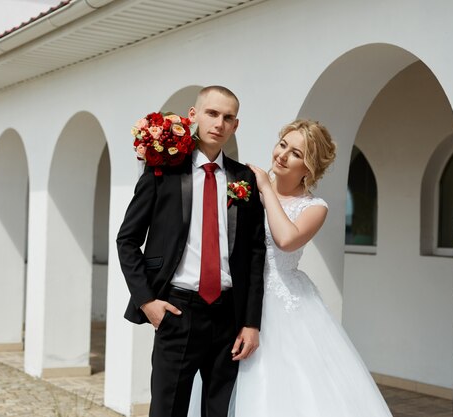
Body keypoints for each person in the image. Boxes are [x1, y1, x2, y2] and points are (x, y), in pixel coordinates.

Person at [117, 85, 266, 417]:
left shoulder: (244, 179)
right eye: (212, 113)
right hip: (178, 310)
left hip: (229, 316)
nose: (219, 123)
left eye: (228, 117)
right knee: (167, 411)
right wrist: (148, 302)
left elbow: (256, 254)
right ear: (194, 115)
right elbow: (127, 240)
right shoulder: (164, 171)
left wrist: (251, 322)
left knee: (220, 411)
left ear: (236, 125)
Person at [234, 119, 392, 416]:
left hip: (285, 307)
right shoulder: (242, 187)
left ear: (309, 167)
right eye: (283, 145)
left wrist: (266, 190)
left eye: (295, 153)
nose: (282, 155)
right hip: (239, 296)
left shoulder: (314, 207)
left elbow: (286, 239)